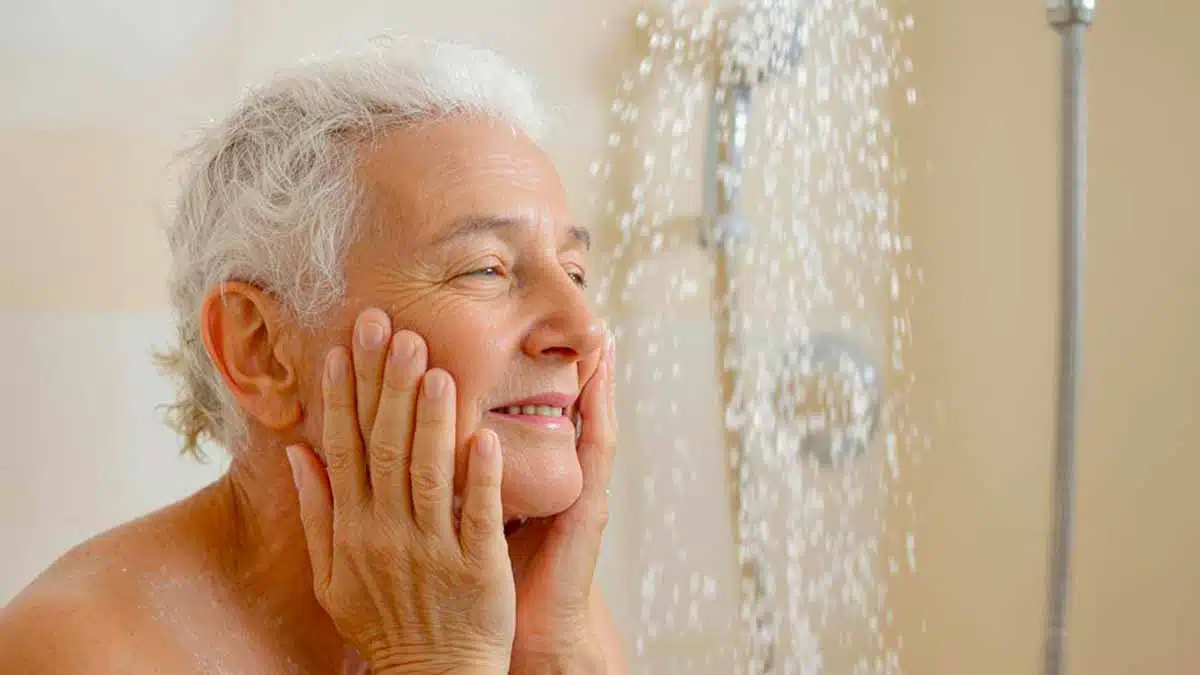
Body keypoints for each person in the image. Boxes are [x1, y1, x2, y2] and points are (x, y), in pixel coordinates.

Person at [0, 37, 628, 674]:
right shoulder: (78, 652)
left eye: (575, 273)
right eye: (486, 269)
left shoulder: (545, 610)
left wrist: (553, 655)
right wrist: (439, 661)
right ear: (262, 351)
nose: (583, 329)